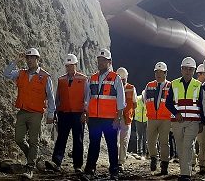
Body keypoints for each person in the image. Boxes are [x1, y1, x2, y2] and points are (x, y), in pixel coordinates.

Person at [3, 47, 56, 179]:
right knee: (19, 139)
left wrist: (51, 114)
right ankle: (33, 157)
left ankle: (30, 167)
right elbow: (6, 74)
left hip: (36, 114)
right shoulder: (21, 73)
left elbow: (50, 97)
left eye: (32, 58)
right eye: (28, 58)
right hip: (22, 112)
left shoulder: (45, 76)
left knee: (34, 141)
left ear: (37, 59)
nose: (29, 60)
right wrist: (16, 60)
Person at [81, 48, 126, 180]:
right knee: (93, 145)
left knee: (112, 145)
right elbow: (88, 98)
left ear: (109, 62)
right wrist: (86, 113)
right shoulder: (92, 78)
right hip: (94, 118)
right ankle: (90, 170)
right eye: (99, 60)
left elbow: (121, 100)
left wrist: (118, 118)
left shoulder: (115, 78)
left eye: (103, 60)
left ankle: (114, 172)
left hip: (109, 119)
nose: (100, 63)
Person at [45, 54, 88, 173]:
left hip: (78, 114)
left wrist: (85, 112)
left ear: (75, 65)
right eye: (67, 66)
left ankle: (78, 165)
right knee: (61, 138)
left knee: (78, 140)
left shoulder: (83, 79)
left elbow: (87, 98)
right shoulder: (61, 79)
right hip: (64, 113)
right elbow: (58, 97)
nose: (69, 68)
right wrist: (55, 112)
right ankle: (56, 162)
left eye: (71, 66)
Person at [166, 57, 204, 181]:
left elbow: (202, 105)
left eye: (190, 69)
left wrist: (202, 122)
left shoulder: (198, 85)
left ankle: (185, 174)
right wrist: (176, 113)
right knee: (180, 147)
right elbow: (168, 103)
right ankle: (186, 170)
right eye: (185, 69)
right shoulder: (174, 84)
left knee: (187, 146)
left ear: (193, 71)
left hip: (193, 121)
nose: (188, 71)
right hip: (177, 121)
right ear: (181, 70)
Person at [144, 62, 172, 175]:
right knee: (150, 141)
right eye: (156, 72)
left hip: (165, 119)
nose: (158, 74)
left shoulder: (171, 86)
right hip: (152, 118)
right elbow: (145, 99)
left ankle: (164, 164)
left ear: (165, 73)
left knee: (164, 142)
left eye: (161, 72)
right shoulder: (149, 85)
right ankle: (153, 158)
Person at [116, 67, 137, 171]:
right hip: (115, 117)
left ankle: (121, 162)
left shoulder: (131, 88)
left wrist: (129, 112)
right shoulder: (114, 87)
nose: (123, 81)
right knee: (115, 141)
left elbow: (135, 103)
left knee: (124, 141)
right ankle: (115, 160)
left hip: (126, 118)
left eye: (124, 79)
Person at [192, 64, 205, 175]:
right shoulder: (194, 86)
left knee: (203, 142)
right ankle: (192, 162)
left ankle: (202, 164)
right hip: (193, 117)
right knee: (191, 142)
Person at [134, 90, 148, 160]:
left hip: (146, 120)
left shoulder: (148, 100)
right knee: (139, 137)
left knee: (146, 137)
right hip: (138, 120)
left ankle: (145, 153)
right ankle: (139, 152)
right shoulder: (137, 98)